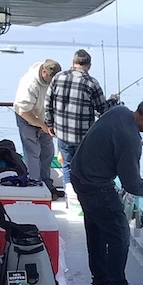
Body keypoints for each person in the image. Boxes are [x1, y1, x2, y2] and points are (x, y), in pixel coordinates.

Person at [70, 97, 143, 285]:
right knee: (120, 234)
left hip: (80, 175)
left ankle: (100, 282)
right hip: (95, 185)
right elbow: (132, 186)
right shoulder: (129, 138)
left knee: (96, 230)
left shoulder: (120, 112)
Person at [44, 49, 118, 188]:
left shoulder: (58, 77)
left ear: (73, 62)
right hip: (83, 137)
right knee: (83, 169)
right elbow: (103, 109)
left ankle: (69, 197)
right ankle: (80, 199)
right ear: (89, 65)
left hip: (62, 133)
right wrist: (113, 100)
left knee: (66, 166)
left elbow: (47, 103)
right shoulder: (92, 83)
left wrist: (50, 124)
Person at [12, 58, 62, 195]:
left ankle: (47, 183)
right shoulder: (30, 84)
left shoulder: (55, 80)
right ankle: (35, 185)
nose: (53, 82)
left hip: (44, 117)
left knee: (48, 151)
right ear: (44, 72)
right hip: (26, 115)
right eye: (51, 79)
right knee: (33, 151)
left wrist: (50, 123)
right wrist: (41, 124)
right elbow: (23, 111)